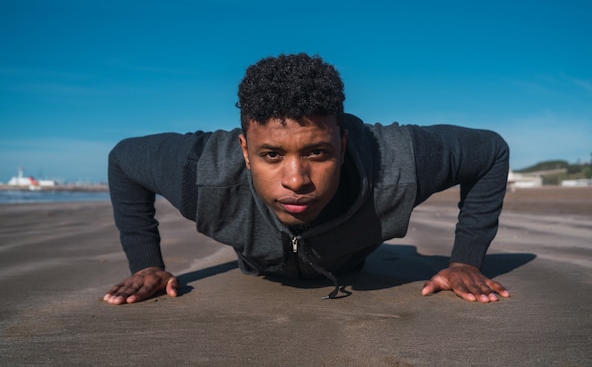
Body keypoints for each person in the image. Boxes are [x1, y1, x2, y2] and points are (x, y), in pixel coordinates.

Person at [104, 53, 511, 305]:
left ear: (344, 144)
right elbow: (123, 159)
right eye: (271, 155)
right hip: (257, 263)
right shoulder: (199, 173)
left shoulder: (400, 162)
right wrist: (147, 265)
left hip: (351, 261)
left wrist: (465, 260)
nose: (296, 180)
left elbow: (490, 150)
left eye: (317, 152)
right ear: (246, 152)